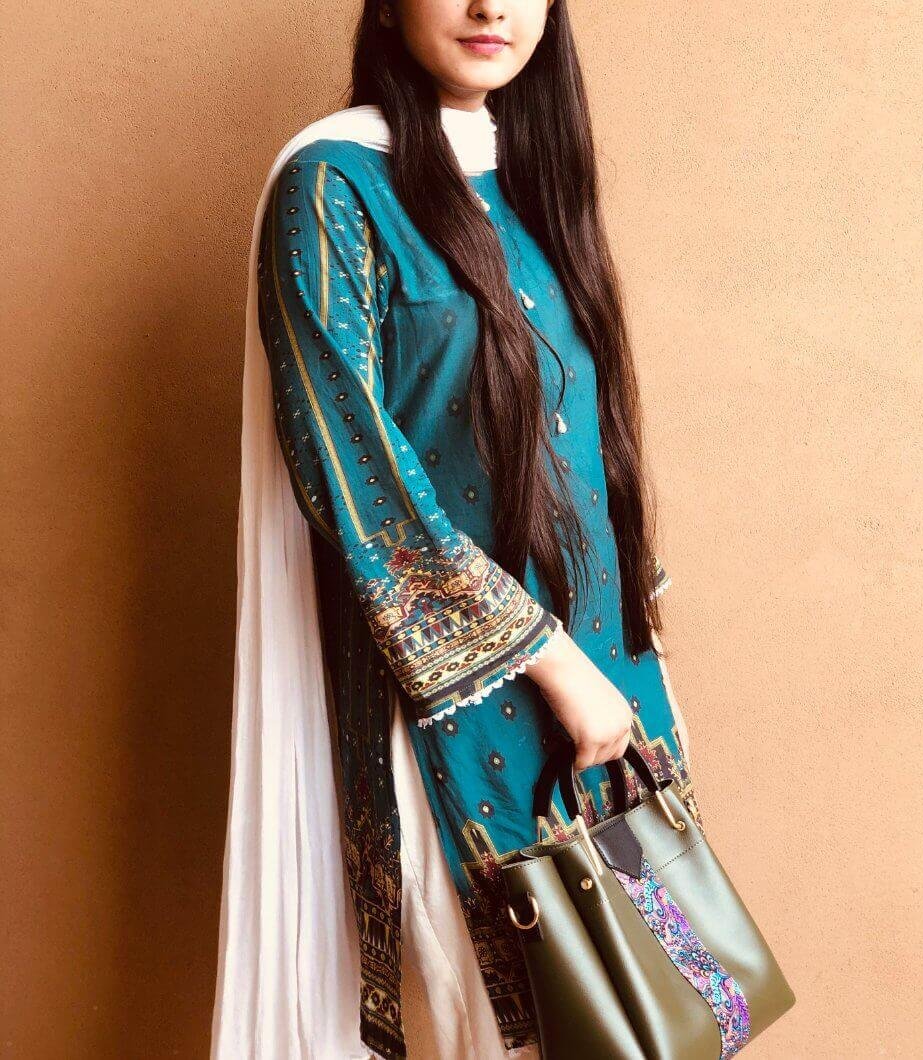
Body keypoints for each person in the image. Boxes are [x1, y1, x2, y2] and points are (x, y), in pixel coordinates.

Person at [213, 2, 703, 1057]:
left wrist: (631, 654)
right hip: (464, 690)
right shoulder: (334, 183)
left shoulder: (534, 170)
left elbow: (581, 439)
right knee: (518, 1033)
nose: (491, 6)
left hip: (610, 684)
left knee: (657, 1023)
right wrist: (551, 663)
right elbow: (353, 469)